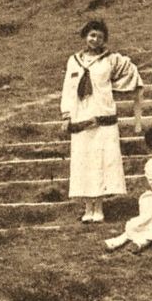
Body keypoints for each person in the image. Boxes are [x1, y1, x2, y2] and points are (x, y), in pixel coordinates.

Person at [60, 19, 144, 224]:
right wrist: (67, 115)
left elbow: (131, 74)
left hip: (103, 116)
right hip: (81, 117)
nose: (94, 39)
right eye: (91, 35)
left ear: (104, 39)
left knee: (101, 162)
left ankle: (99, 206)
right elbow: (69, 89)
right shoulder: (73, 61)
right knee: (83, 162)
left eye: (99, 36)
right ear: (85, 36)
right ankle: (87, 207)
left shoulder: (111, 60)